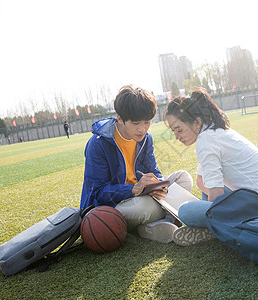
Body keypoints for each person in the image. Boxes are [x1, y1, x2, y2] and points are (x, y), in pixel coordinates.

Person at [165, 87, 258, 246]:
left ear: (197, 122)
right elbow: (202, 183)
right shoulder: (215, 130)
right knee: (204, 194)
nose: (177, 137)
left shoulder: (206, 141)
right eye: (174, 131)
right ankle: (216, 228)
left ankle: (218, 228)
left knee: (185, 211)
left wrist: (208, 212)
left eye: (179, 130)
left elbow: (216, 197)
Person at [80, 85, 193, 244]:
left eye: (147, 122)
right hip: (114, 207)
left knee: (184, 178)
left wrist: (158, 184)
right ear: (120, 118)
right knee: (144, 208)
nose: (142, 129)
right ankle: (164, 218)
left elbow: (153, 171)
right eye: (135, 123)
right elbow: (98, 193)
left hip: (143, 195)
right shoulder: (98, 144)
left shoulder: (146, 138)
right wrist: (133, 189)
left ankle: (162, 222)